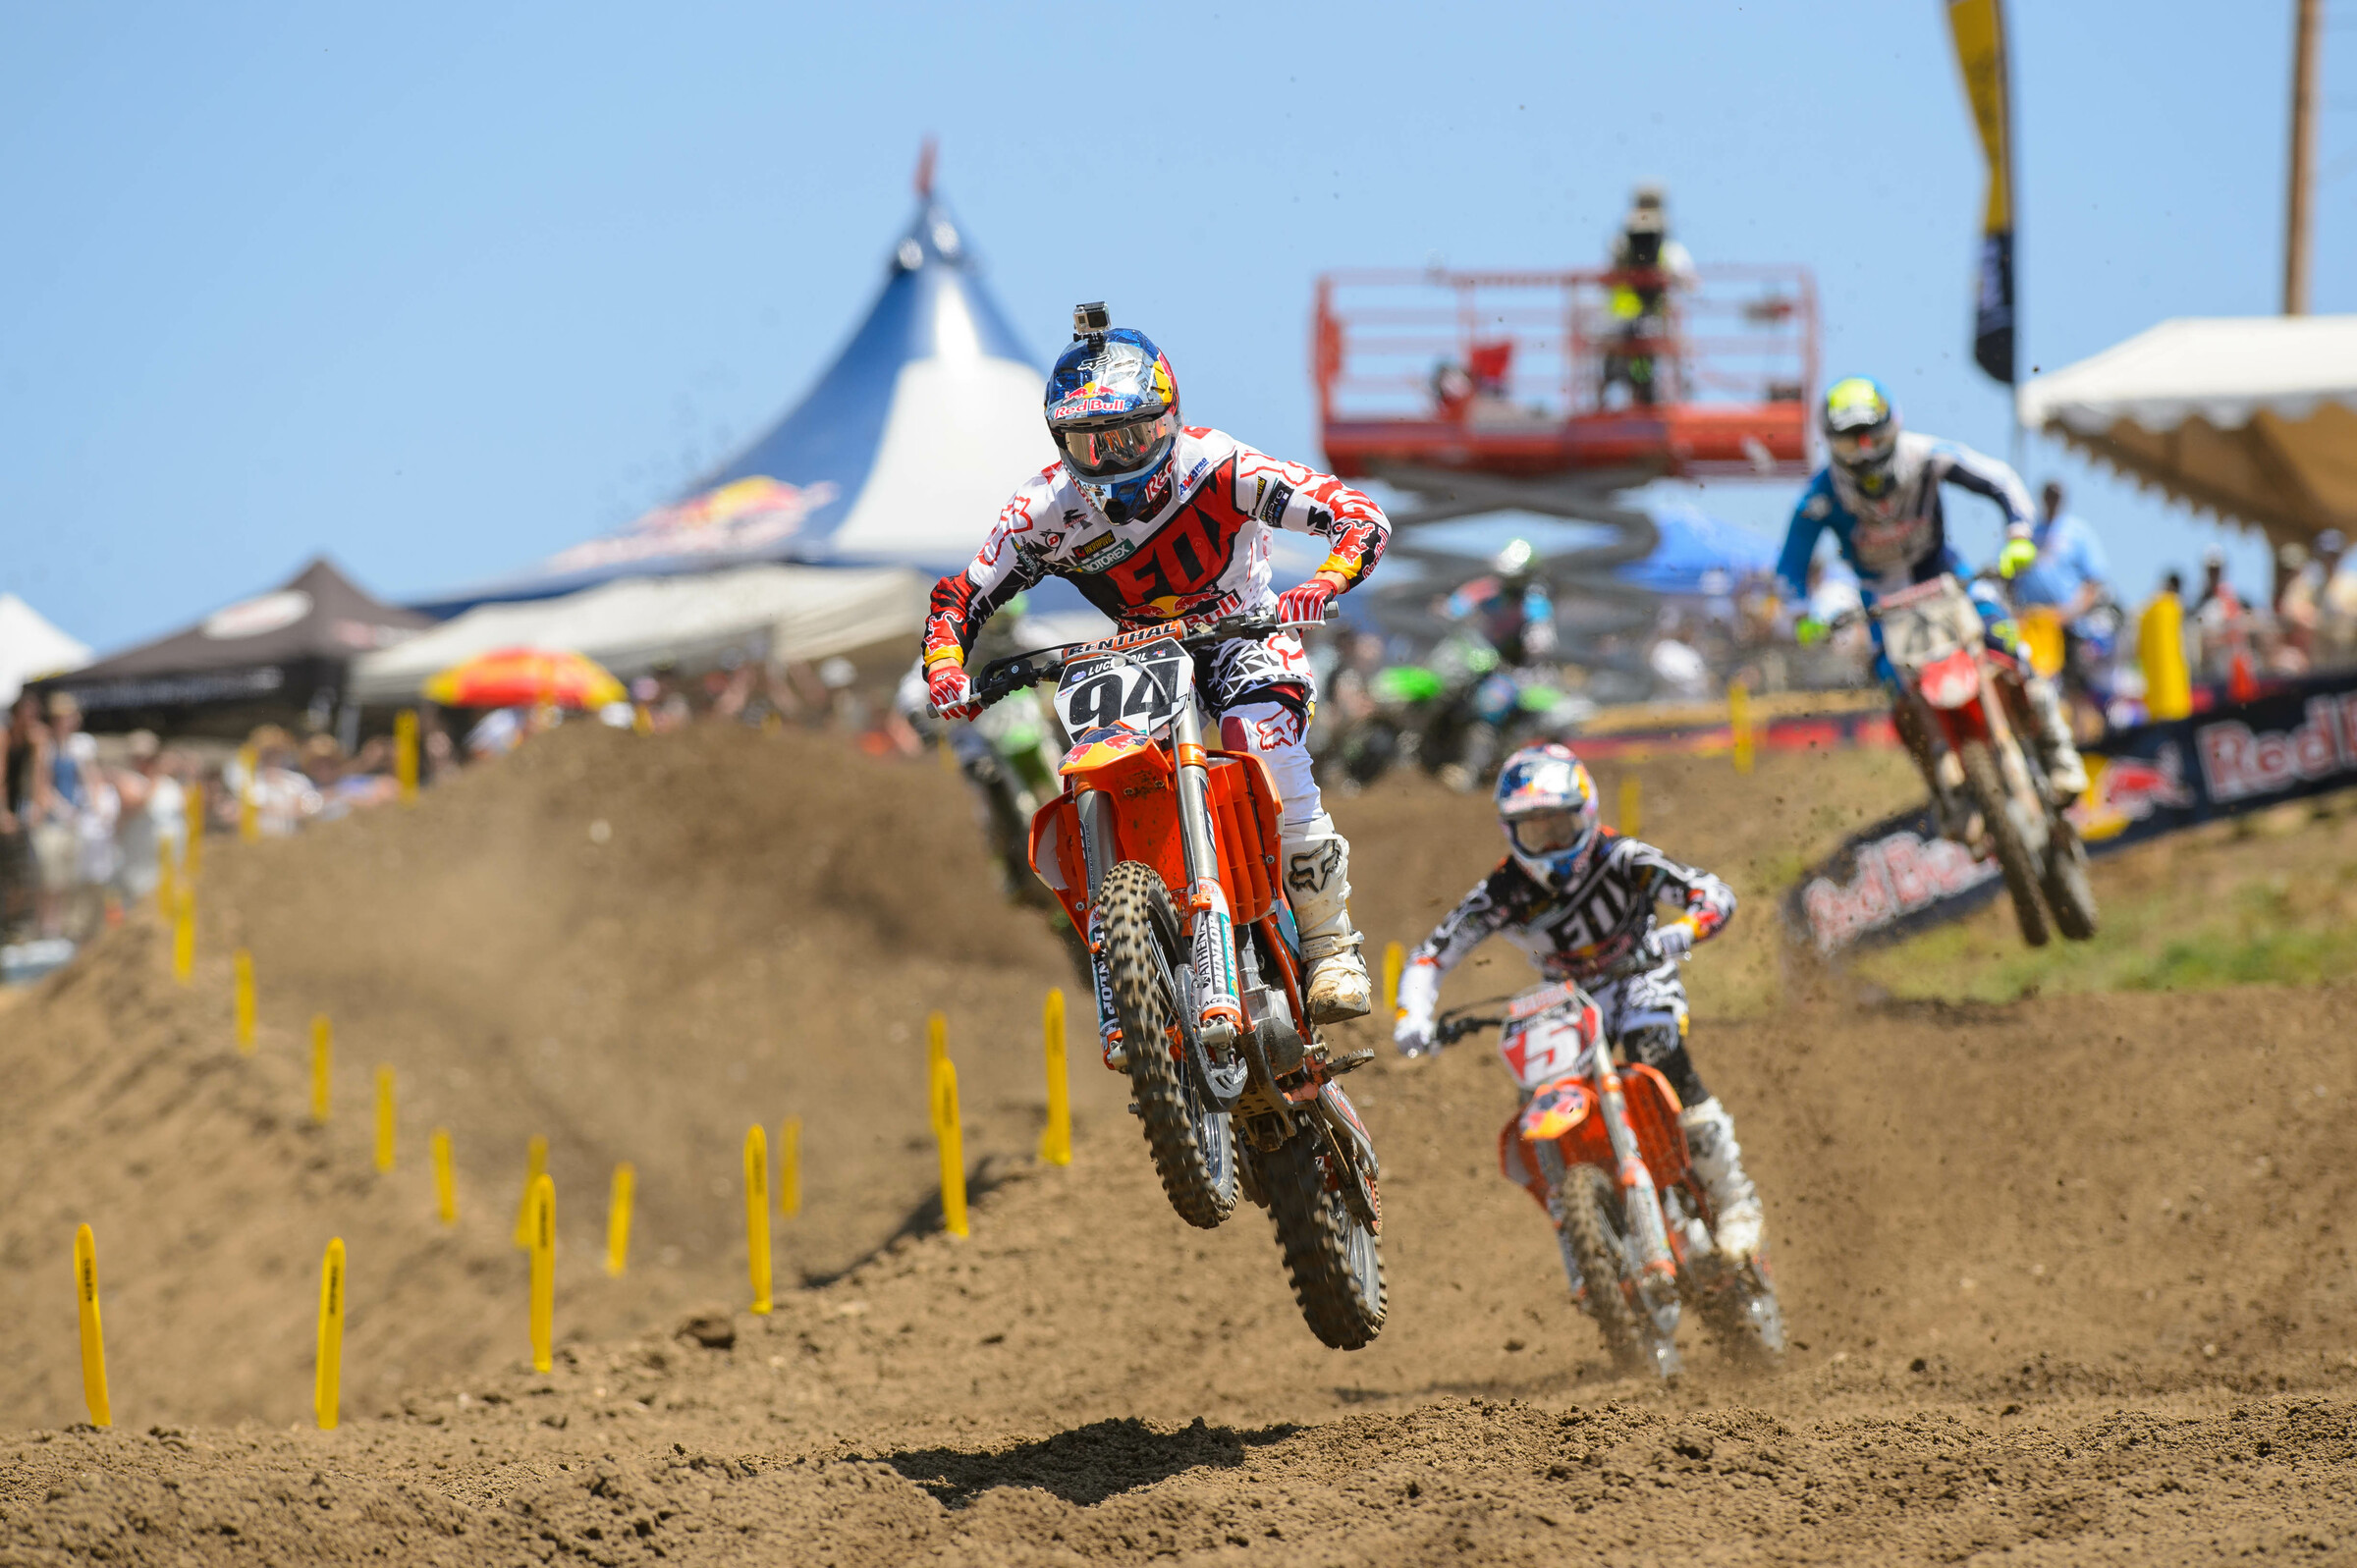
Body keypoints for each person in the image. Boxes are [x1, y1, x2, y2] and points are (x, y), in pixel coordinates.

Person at [922, 303, 1390, 1021]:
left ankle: (1331, 945)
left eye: (1129, 437)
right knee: (1101, 770)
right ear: (1061, 442)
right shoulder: (1043, 510)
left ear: (1167, 420)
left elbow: (1357, 514)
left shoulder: (1220, 466)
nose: (1110, 460)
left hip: (1243, 631)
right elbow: (961, 595)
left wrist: (1323, 582)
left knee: (1261, 740)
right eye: (1089, 444)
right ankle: (1132, 960)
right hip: (1139, 654)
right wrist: (947, 669)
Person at [1390, 742, 1764, 1263]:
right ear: (1511, 831)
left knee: (1656, 1051)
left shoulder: (1623, 858)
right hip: (1567, 1001)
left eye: (1559, 827)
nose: (1548, 842)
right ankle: (1592, 1235)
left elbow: (1714, 895)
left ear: (1585, 815)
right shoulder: (1503, 890)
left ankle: (1734, 1201)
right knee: (1542, 1096)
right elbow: (1431, 956)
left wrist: (1676, 935)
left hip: (1639, 975)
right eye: (1534, 831)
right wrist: (1413, 1017)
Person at [1778, 377, 2087, 834]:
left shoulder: (1926, 456)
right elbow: (1789, 566)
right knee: (1898, 696)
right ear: (1830, 444)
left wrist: (2019, 535)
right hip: (1881, 602)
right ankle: (1944, 795)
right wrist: (1803, 615)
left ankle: (2059, 751)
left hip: (1945, 578)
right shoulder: (1820, 497)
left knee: (2006, 644)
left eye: (1872, 437)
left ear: (1892, 427)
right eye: (1849, 443)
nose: (1863, 453)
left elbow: (1999, 480)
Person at [1601, 185, 1696, 407]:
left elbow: (1609, 276)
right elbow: (1690, 283)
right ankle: (1638, 393)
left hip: (1629, 320)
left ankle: (1630, 392)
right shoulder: (1668, 249)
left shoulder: (1622, 244)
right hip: (1635, 319)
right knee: (1635, 355)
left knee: (1634, 357)